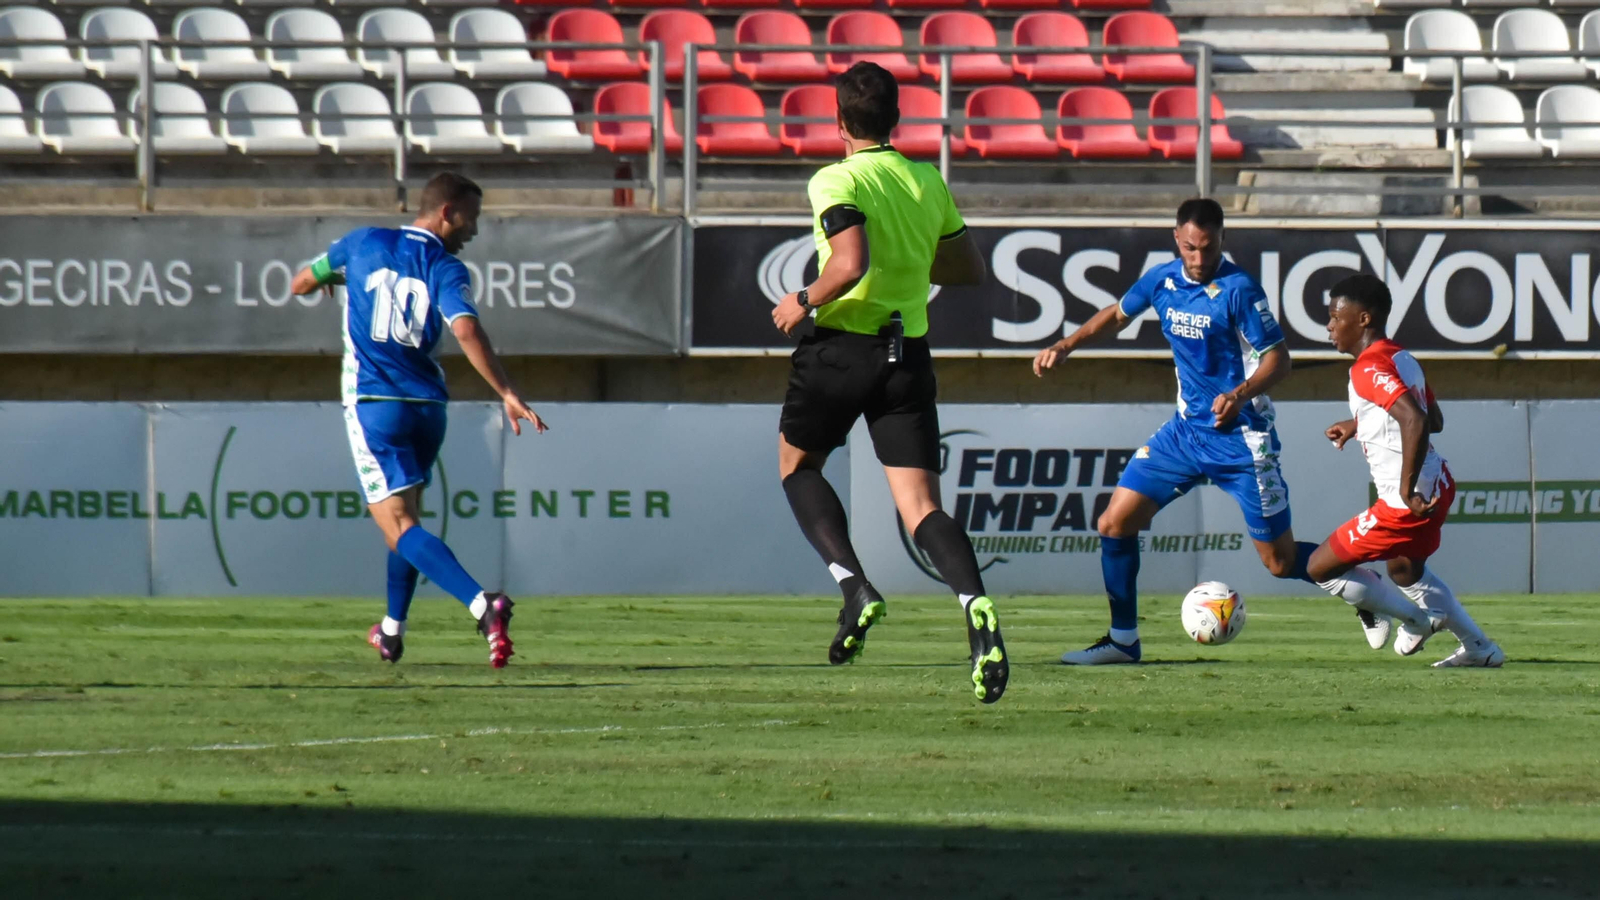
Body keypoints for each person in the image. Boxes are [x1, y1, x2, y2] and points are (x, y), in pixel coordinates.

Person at [769, 62, 1006, 703]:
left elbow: (848, 264)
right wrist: (912, 248)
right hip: (907, 354)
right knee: (923, 509)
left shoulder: (836, 177)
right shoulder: (926, 179)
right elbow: (966, 268)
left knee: (798, 469)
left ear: (840, 120)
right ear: (897, 119)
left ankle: (854, 585)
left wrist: (802, 299)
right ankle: (975, 605)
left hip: (841, 350)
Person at [1033, 198, 1321, 665]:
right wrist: (1067, 344)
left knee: (1280, 562)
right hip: (1185, 435)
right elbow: (1117, 313)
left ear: (1222, 240)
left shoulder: (1239, 289)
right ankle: (1124, 640)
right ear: (1176, 240)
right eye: (1190, 248)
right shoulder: (1161, 280)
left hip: (1239, 439)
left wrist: (1241, 393)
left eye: (1208, 248)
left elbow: (1280, 359)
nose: (1200, 259)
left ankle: (1369, 593)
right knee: (1114, 522)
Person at [290, 172, 547, 668]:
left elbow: (301, 281)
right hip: (428, 409)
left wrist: (330, 279)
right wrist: (507, 391)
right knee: (404, 525)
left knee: (401, 523)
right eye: (470, 219)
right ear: (447, 212)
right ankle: (391, 631)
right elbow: (466, 328)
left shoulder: (362, 243)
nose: (473, 231)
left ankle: (482, 605)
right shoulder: (446, 268)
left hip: (374, 403)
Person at [1306, 274, 1503, 667]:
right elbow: (1435, 419)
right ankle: (1479, 648)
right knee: (1404, 570)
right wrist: (1358, 422)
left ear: (1363, 319)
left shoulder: (1366, 368)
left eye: (1334, 317)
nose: (1329, 326)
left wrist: (1406, 488)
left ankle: (1415, 619)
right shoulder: (1402, 357)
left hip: (1406, 500)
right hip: (1439, 482)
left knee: (1320, 567)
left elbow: (1415, 420)